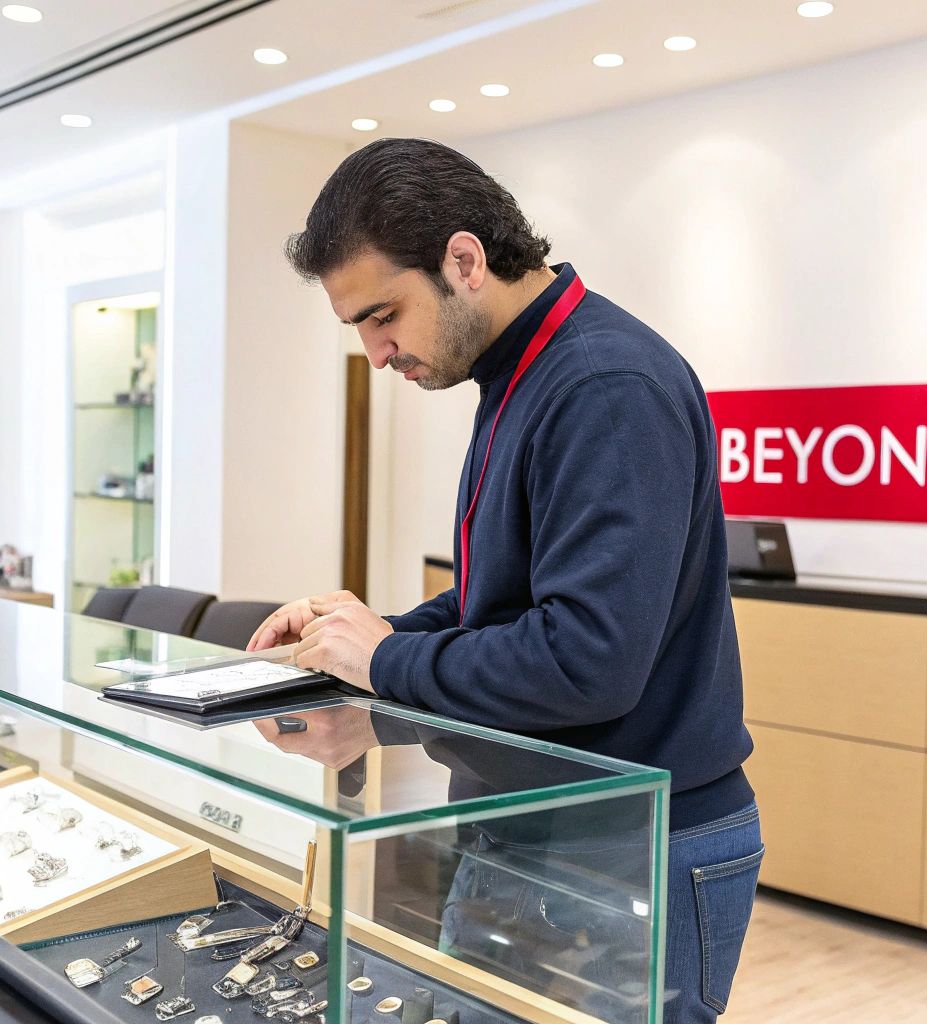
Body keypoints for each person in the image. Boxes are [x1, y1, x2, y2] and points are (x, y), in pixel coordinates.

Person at [247, 138, 759, 1023]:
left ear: (464, 260)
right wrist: (372, 642)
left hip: (630, 849)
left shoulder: (605, 384)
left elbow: (587, 661)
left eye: (384, 315)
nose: (377, 352)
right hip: (542, 836)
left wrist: (385, 666)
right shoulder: (521, 375)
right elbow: (502, 606)